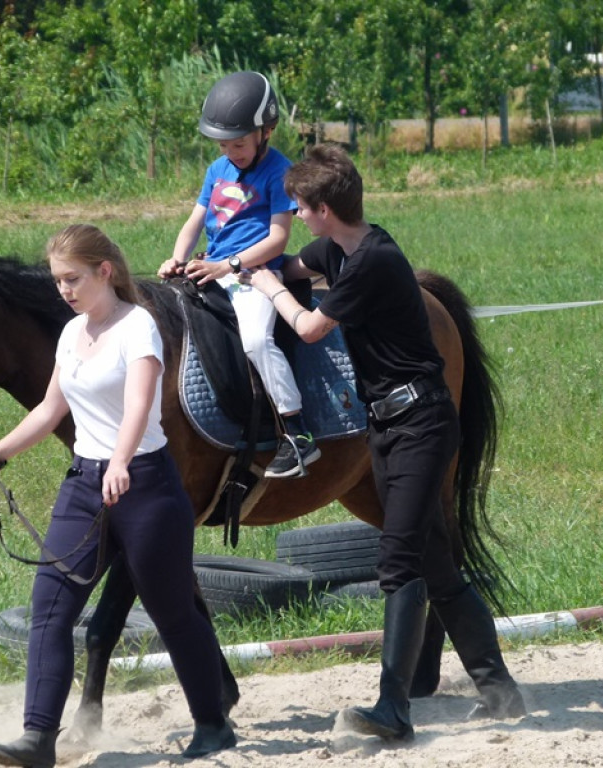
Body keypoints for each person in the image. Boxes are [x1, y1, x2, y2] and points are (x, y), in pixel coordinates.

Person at [249, 145, 525, 741]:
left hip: (422, 424)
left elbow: (310, 324)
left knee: (398, 563)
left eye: (298, 207)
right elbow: (294, 265)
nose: (294, 216)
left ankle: (393, 709)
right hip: (387, 426)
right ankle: (500, 690)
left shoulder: (373, 259)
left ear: (323, 208)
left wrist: (268, 288)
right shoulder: (337, 248)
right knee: (432, 562)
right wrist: (232, 267)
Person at [0, 224, 236, 765]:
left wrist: (120, 460)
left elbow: (140, 406)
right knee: (50, 610)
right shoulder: (72, 333)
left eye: (73, 279)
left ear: (104, 272)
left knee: (174, 613)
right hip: (85, 487)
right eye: (58, 280)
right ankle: (38, 738)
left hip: (147, 487)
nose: (64, 290)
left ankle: (212, 723)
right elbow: (48, 410)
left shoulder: (140, 328)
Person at [157, 70, 319, 479]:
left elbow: (278, 240)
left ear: (267, 131)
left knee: (256, 340)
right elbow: (194, 222)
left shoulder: (281, 173)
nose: (232, 152)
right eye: (224, 144)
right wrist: (176, 259)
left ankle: (296, 432)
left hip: (254, 274)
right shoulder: (217, 169)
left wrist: (227, 265)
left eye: (240, 143)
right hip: (212, 267)